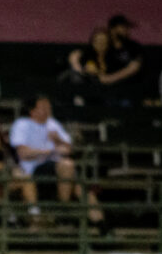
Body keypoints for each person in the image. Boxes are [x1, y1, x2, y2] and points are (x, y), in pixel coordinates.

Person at [9, 96, 104, 226]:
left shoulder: (53, 124)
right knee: (67, 165)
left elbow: (68, 149)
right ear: (32, 111)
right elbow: (23, 153)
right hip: (34, 169)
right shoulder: (22, 124)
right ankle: (63, 211)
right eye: (43, 107)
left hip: (58, 171)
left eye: (48, 107)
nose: (47, 110)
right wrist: (49, 151)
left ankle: (102, 227)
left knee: (81, 189)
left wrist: (57, 139)